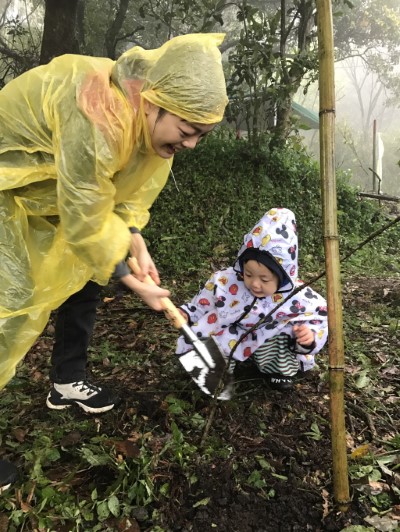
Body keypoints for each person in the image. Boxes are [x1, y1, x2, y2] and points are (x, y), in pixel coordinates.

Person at [0, 33, 228, 417]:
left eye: (201, 136)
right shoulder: (98, 112)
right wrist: (129, 278)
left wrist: (136, 241)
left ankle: (67, 379)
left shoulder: (151, 130)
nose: (190, 146)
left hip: (53, 194)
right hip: (10, 187)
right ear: (155, 102)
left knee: (86, 272)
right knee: (11, 302)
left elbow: (125, 197)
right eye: (187, 132)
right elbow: (87, 216)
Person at [176, 208, 328, 391]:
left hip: (268, 338)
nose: (255, 284)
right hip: (231, 334)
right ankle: (218, 371)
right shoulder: (225, 280)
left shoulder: (298, 296)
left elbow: (317, 318)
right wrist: (187, 313)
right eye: (248, 274)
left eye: (264, 279)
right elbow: (203, 304)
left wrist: (308, 336)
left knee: (282, 332)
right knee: (212, 335)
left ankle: (278, 371)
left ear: (284, 276)